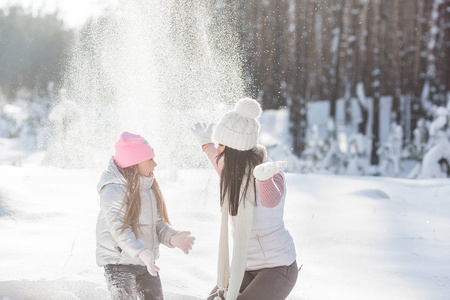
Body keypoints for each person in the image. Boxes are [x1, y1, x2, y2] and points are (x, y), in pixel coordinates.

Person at [191, 98, 298, 300]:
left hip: (278, 267)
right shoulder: (235, 173)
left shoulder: (269, 172)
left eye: (221, 144)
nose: (219, 149)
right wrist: (206, 144)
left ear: (235, 149)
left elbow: (271, 201)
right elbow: (219, 165)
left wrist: (264, 179)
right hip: (245, 265)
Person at [96, 131, 195, 300]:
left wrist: (172, 237)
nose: (155, 164)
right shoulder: (113, 189)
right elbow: (119, 228)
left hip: (145, 262)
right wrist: (141, 251)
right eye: (150, 160)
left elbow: (156, 224)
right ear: (133, 162)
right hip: (119, 263)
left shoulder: (147, 187)